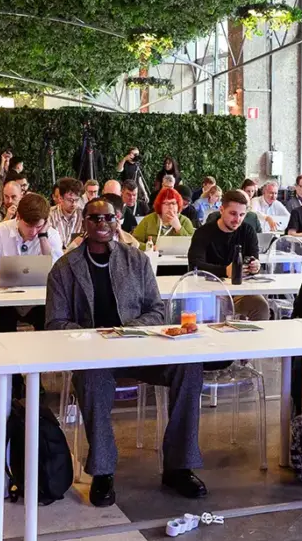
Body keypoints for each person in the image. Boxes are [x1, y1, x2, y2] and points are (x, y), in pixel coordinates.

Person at [46, 198, 206, 506]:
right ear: (84, 222)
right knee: (93, 381)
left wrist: (128, 330)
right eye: (95, 218)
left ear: (117, 220)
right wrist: (96, 336)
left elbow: (157, 310)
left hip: (140, 348)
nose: (102, 224)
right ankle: (103, 471)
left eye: (108, 218)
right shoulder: (64, 269)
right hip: (94, 356)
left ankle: (179, 466)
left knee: (189, 367)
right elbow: (55, 323)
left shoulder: (136, 260)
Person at [0, 192, 64, 333]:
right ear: (18, 217)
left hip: (39, 301)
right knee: (3, 320)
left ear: (46, 222)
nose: (33, 232)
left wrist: (43, 237)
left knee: (50, 317)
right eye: (28, 226)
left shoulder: (52, 235)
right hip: (4, 301)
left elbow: (58, 274)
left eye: (38, 226)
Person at [188, 190, 270, 321]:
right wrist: (225, 271)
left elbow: (254, 258)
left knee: (261, 306)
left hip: (240, 290)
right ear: (221, 210)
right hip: (209, 290)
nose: (237, 219)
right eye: (233, 213)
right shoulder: (203, 232)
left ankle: (257, 335)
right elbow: (195, 266)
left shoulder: (248, 231)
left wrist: (255, 266)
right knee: (213, 309)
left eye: (242, 215)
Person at [48, 177, 86, 247]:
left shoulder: (83, 214)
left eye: (76, 200)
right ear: (60, 198)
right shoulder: (50, 214)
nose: (74, 204)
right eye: (70, 200)